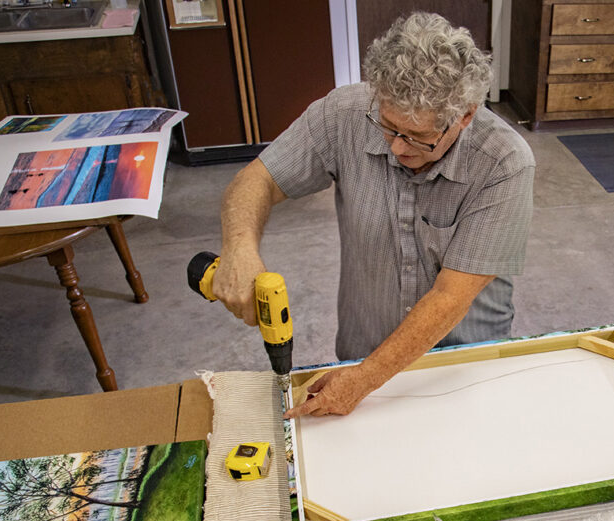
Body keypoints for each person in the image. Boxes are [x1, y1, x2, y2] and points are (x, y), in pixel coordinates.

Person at [212, 11, 535, 418]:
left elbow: (450, 297)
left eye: (419, 137)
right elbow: (258, 178)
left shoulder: (503, 162)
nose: (398, 148)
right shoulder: (344, 115)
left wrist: (364, 381)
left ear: (465, 116)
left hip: (460, 367)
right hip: (360, 352)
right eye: (388, 126)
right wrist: (239, 247)